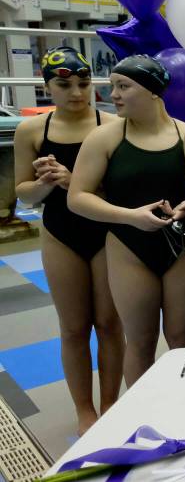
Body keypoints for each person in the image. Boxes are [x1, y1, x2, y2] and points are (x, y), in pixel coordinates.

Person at [69, 55, 185, 386]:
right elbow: (77, 198)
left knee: (182, 335)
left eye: (124, 86)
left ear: (153, 91)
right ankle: (141, 418)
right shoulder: (105, 138)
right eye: (113, 86)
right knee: (141, 341)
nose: (113, 94)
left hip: (180, 243)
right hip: (129, 247)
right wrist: (130, 217)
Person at [13, 46, 122, 435]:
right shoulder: (32, 130)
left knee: (109, 323)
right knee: (74, 327)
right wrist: (44, 183)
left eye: (83, 82)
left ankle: (109, 402)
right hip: (61, 233)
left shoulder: (110, 125)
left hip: (106, 231)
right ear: (47, 87)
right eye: (64, 84)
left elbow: (120, 191)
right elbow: (23, 193)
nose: (76, 92)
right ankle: (84, 409)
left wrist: (73, 179)